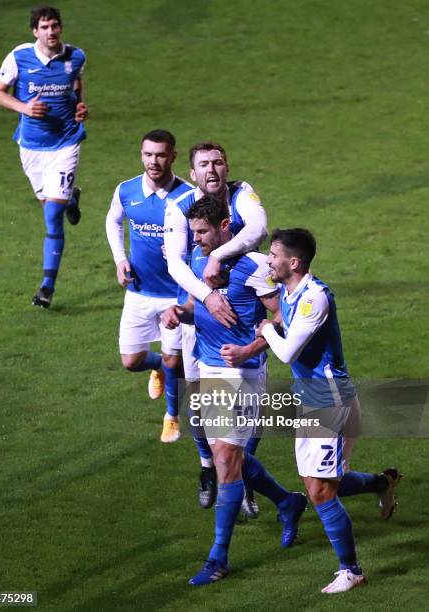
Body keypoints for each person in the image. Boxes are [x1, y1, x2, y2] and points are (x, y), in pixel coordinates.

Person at [163, 196, 307, 586]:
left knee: (226, 460)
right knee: (229, 456)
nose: (196, 240)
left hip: (243, 373)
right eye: (193, 232)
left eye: (203, 232)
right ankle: (287, 501)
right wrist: (178, 313)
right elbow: (200, 308)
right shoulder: (197, 259)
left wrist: (249, 348)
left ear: (226, 226)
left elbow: (282, 318)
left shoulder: (255, 265)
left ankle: (218, 557)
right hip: (209, 369)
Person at [256, 228, 401, 593]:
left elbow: (287, 352)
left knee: (320, 491)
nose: (269, 260)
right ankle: (383, 483)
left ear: (294, 262)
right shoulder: (290, 292)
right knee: (317, 483)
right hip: (308, 397)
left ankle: (351, 570)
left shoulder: (313, 298)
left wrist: (265, 329)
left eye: (274, 255)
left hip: (328, 401)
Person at [163, 141, 268, 510]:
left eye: (218, 162)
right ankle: (208, 467)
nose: (212, 170)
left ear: (227, 167)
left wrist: (219, 256)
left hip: (242, 321)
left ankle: (243, 481)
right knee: (199, 405)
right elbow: (175, 265)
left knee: (246, 417)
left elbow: (258, 230)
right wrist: (205, 298)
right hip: (199, 317)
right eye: (203, 164)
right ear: (191, 174)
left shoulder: (242, 195)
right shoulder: (178, 209)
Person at [0, 5, 88, 308]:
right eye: (44, 27)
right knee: (51, 206)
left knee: (51, 217)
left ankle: (47, 287)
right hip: (31, 147)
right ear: (35, 31)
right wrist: (24, 108)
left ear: (61, 28)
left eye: (55, 26)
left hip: (65, 144)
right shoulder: (19, 57)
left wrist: (80, 107)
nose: (51, 32)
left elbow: (76, 87)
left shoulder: (76, 57)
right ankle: (71, 196)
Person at [106, 130, 193, 442]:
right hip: (139, 293)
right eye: (148, 154)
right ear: (141, 155)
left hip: (175, 295)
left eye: (160, 155)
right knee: (131, 361)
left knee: (174, 358)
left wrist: (184, 254)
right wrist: (119, 259)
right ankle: (160, 368)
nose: (154, 161)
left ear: (172, 157)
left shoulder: (188, 196)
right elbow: (113, 221)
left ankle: (171, 416)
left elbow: (203, 240)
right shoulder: (127, 190)